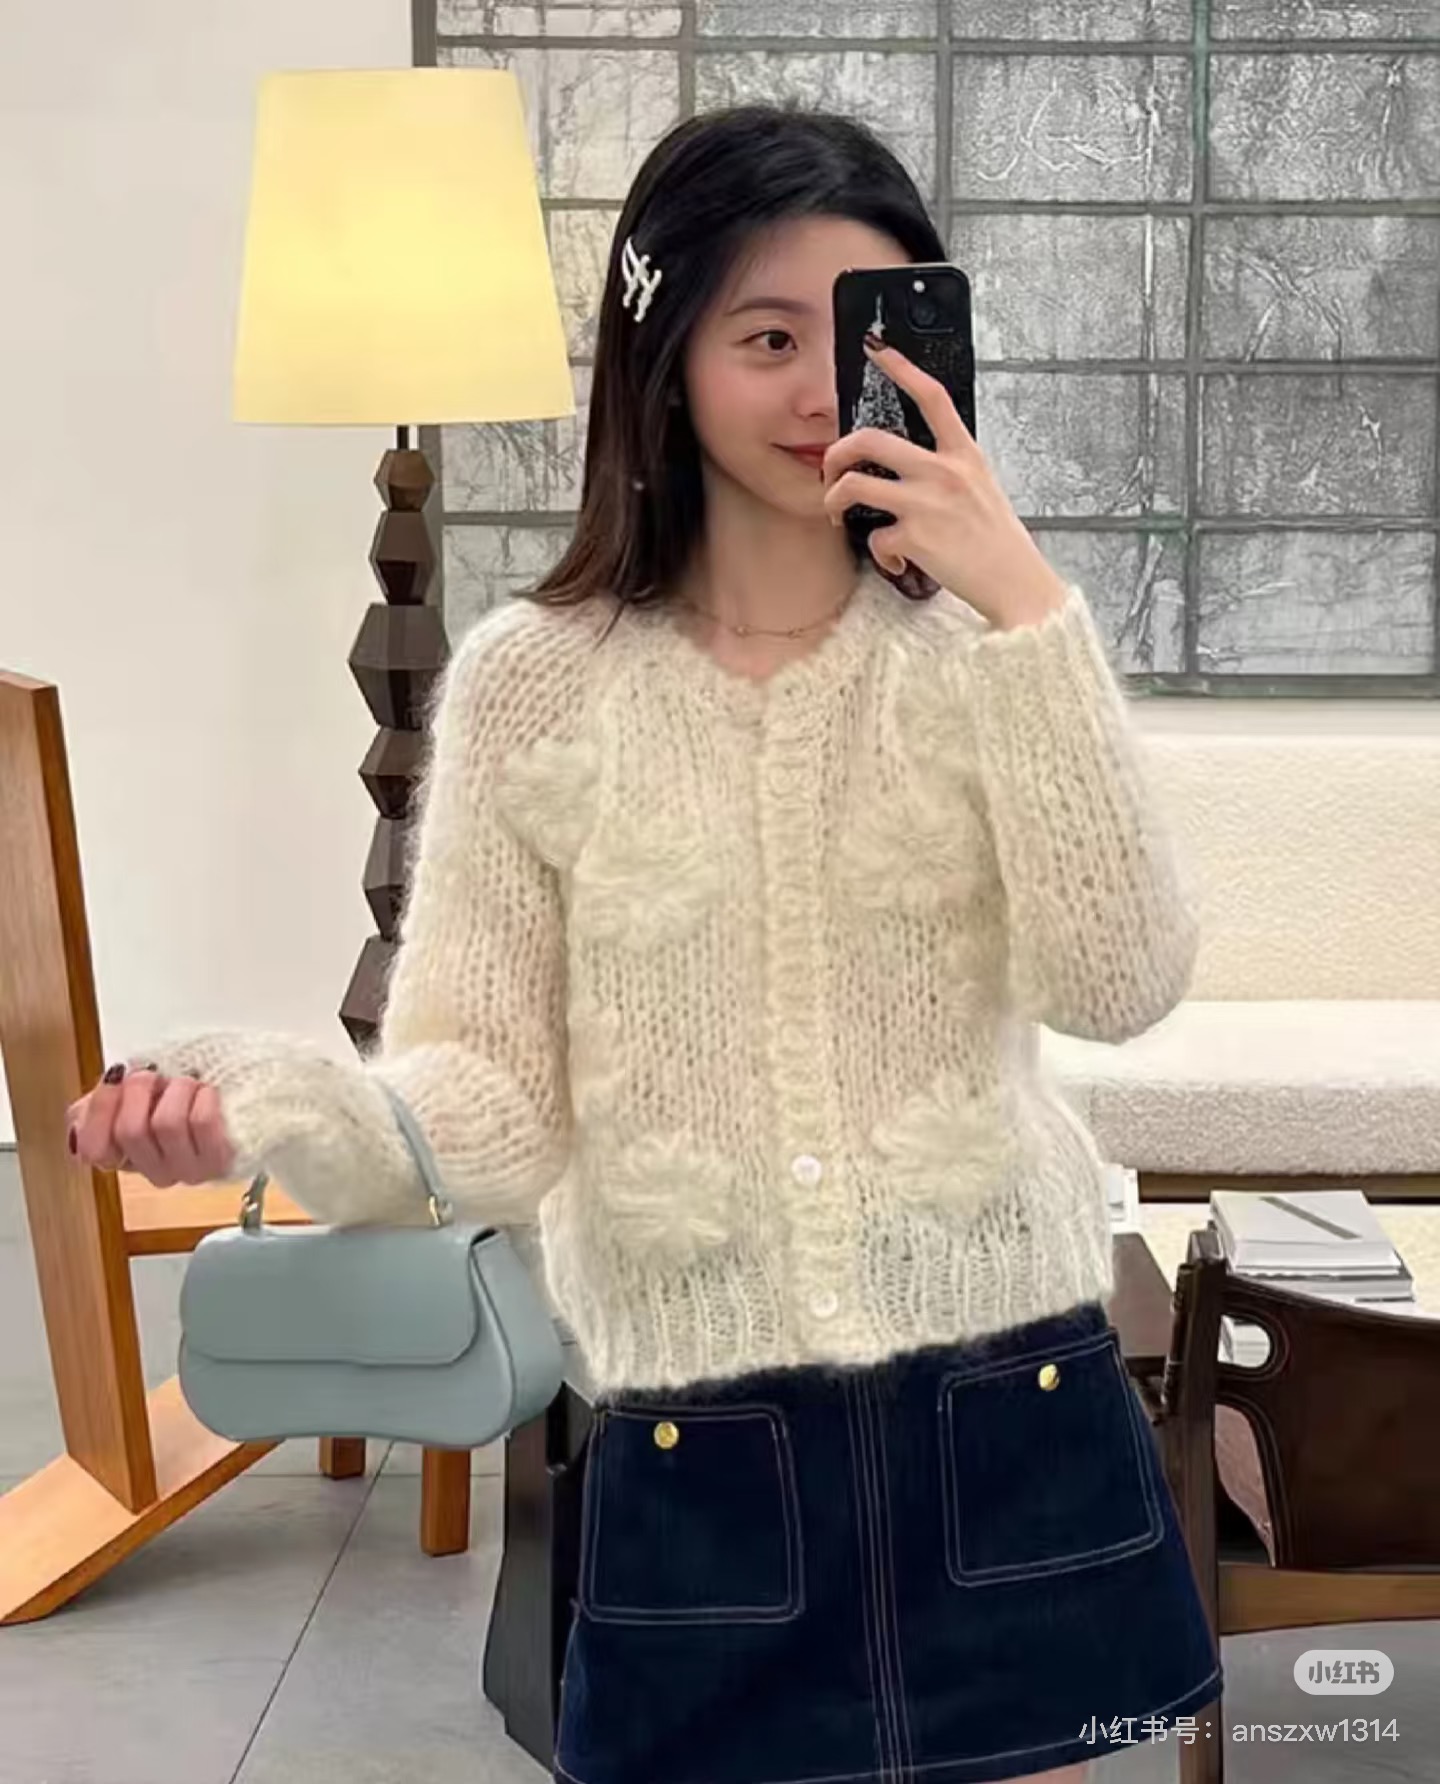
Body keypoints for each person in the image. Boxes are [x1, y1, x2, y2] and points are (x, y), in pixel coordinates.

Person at [69, 104, 1220, 1784]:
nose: (820, 390)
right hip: (705, 1451)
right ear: (663, 358)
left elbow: (1124, 983)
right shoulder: (535, 684)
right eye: (767, 338)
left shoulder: (992, 657)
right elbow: (491, 1103)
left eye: (857, 334)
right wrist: (274, 1101)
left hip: (1010, 1411)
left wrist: (1028, 605)